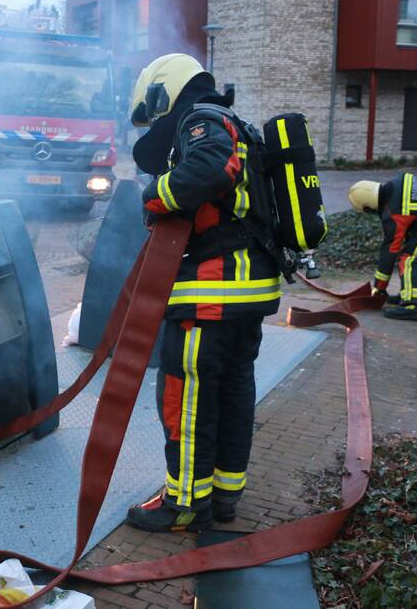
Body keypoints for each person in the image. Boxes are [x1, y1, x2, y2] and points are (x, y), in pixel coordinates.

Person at [123, 54, 281, 532]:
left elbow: (209, 171)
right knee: (233, 392)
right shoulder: (238, 125)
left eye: (154, 113)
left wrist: (152, 198)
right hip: (247, 293)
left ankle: (186, 504)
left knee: (186, 397)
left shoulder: (200, 122)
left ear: (164, 92)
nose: (155, 126)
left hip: (211, 294)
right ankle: (224, 496)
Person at [348, 173, 417, 321]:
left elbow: (390, 251)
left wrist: (380, 287)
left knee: (410, 259)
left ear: (369, 207)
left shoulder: (392, 212)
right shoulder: (397, 183)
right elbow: (415, 215)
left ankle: (414, 306)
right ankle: (407, 294)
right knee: (411, 249)